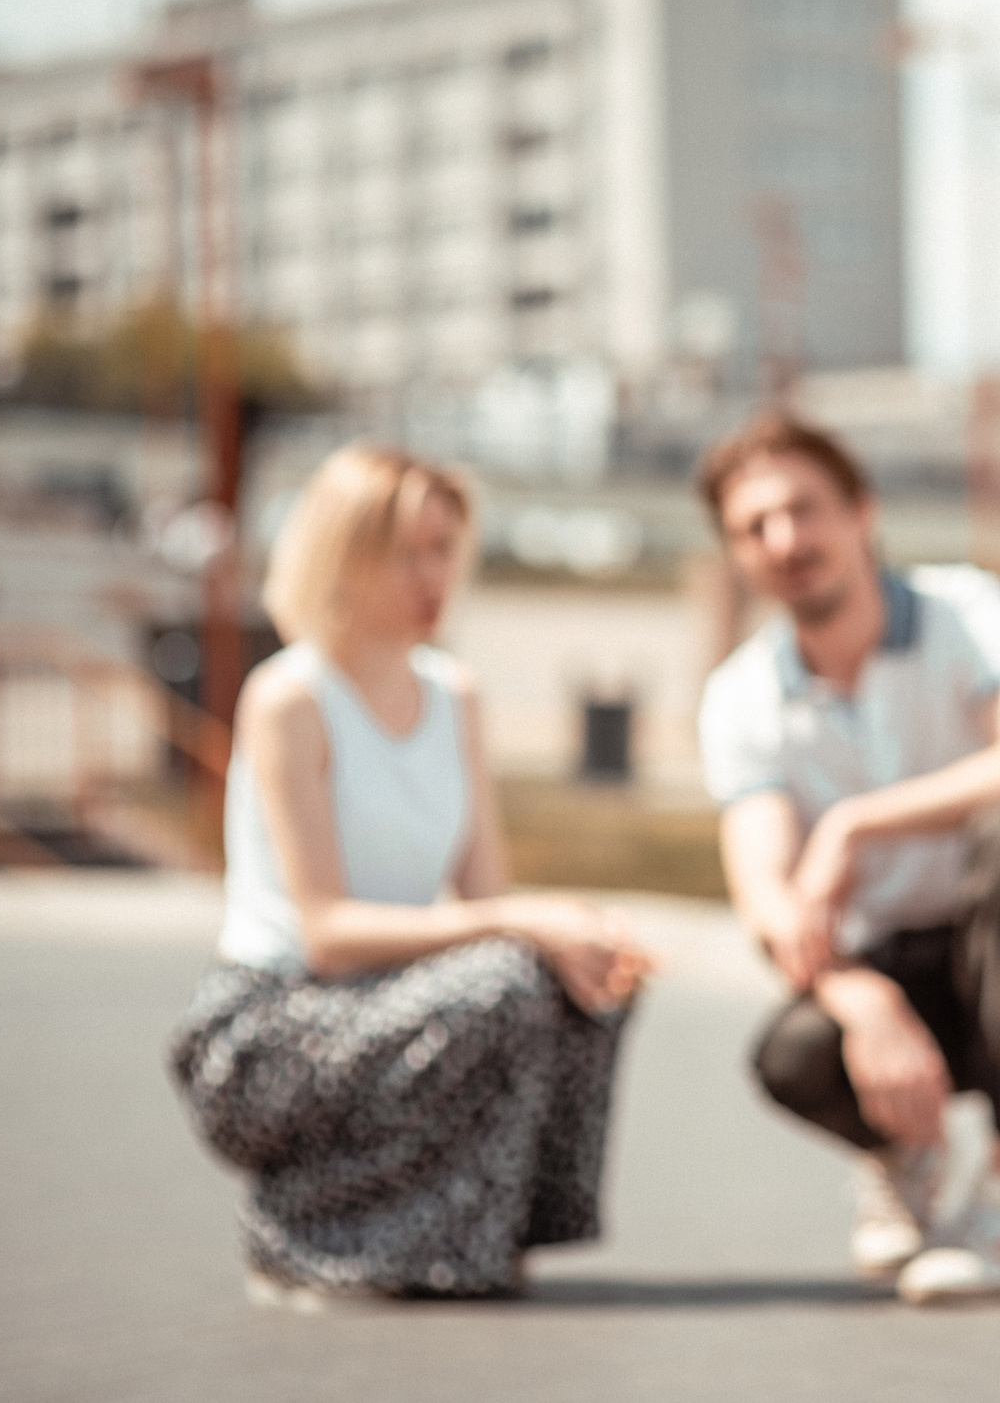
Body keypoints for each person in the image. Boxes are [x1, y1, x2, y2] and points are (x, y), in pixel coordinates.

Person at [167, 444, 655, 1306]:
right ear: (341, 555)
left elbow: (488, 900)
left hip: (386, 1006)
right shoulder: (292, 697)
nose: (434, 575)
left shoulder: (455, 695)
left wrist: (568, 933)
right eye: (408, 551)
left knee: (581, 972)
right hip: (269, 1025)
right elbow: (326, 932)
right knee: (513, 968)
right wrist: (527, 922)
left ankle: (472, 1230)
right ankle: (312, 1228)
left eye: (445, 549)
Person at [695, 414, 1000, 1304]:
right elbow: (766, 898)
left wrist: (853, 825)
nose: (784, 539)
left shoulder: (964, 609)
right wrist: (860, 999)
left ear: (861, 512)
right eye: (753, 526)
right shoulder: (741, 698)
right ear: (735, 552)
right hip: (894, 964)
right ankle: (906, 1157)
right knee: (791, 1054)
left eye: (804, 508)